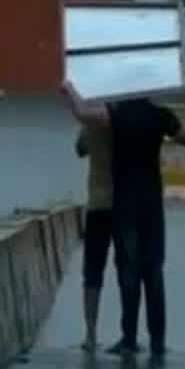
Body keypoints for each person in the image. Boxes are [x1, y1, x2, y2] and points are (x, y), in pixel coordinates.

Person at [61, 79, 185, 361]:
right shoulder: (160, 116)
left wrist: (70, 90)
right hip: (152, 205)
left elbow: (83, 118)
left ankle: (127, 338)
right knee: (154, 273)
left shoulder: (116, 116)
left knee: (128, 273)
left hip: (124, 204)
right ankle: (158, 341)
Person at [75, 120, 114, 351]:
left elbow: (81, 149)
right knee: (129, 271)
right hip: (124, 204)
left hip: (98, 205)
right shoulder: (126, 118)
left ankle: (90, 334)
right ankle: (129, 336)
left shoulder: (92, 120)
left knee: (92, 272)